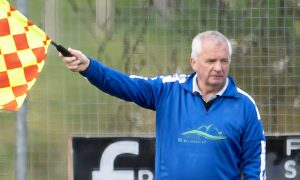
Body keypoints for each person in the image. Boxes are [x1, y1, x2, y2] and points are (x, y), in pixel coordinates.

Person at [61, 31, 266, 180]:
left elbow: (255, 164)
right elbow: (126, 85)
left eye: (224, 61)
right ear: (193, 62)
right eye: (211, 61)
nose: (218, 68)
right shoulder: (168, 91)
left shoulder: (244, 105)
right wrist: (89, 67)